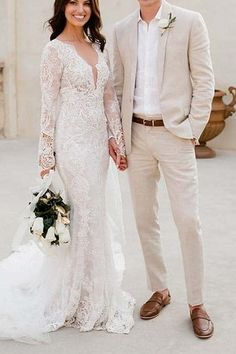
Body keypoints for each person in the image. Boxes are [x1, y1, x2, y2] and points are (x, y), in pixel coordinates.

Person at [0, 0, 134, 344]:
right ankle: (74, 296)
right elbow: (49, 104)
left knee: (95, 215)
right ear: (63, 7)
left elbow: (107, 98)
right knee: (83, 213)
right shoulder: (54, 51)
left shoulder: (96, 45)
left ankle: (95, 287)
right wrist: (47, 154)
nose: (79, 9)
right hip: (71, 144)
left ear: (93, 8)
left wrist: (116, 140)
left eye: (85, 3)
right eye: (73, 2)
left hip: (96, 147)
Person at [111, 0, 215, 339]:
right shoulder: (122, 29)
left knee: (187, 219)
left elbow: (204, 79)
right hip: (137, 135)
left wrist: (191, 130)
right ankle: (160, 289)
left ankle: (197, 303)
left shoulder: (188, 21)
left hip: (176, 135)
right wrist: (120, 137)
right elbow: (117, 86)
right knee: (145, 219)